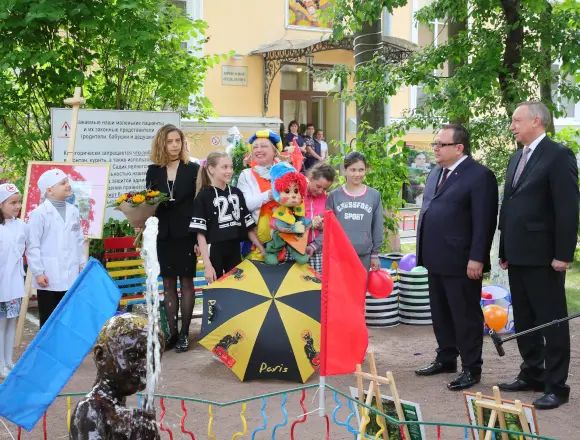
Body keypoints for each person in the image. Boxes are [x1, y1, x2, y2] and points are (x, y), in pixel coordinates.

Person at [497, 101, 579, 410]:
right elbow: (510, 206)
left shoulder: (558, 156)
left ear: (536, 121)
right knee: (525, 319)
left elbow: (567, 209)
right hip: (517, 254)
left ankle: (556, 385)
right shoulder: (517, 156)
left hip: (545, 257)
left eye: (516, 120)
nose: (512, 126)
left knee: (551, 321)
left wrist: (563, 254)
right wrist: (504, 250)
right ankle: (532, 372)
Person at [414, 124, 498, 391]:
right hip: (435, 256)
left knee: (465, 315)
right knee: (440, 313)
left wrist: (477, 257)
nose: (435, 148)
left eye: (441, 144)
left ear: (459, 147)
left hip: (462, 261)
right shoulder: (436, 172)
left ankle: (471, 367)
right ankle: (446, 357)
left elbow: (484, 221)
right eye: (435, 144)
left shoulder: (479, 175)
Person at [146, 124, 199, 353]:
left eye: (178, 141)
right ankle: (172, 333)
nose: (175, 145)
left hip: (187, 234)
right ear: (162, 144)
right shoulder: (153, 171)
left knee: (187, 282)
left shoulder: (193, 169)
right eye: (170, 141)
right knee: (168, 284)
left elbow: (198, 204)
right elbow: (149, 203)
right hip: (163, 234)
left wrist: (199, 238)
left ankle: (185, 333)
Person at [69, 314, 162, 439]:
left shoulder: (113, 405)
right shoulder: (90, 410)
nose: (145, 368)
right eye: (133, 356)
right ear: (101, 357)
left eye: (152, 360)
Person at [191, 152, 265, 283]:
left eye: (231, 167)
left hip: (235, 248)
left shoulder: (237, 193)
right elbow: (200, 234)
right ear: (211, 169)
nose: (229, 171)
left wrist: (261, 249)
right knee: (217, 289)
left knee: (238, 286)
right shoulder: (203, 196)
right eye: (224, 167)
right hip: (214, 249)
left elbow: (248, 226)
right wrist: (207, 266)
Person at [27, 169, 86, 328]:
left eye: (67, 182)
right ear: (49, 190)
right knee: (49, 320)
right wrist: (38, 272)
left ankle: (66, 344)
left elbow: (79, 241)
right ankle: (48, 344)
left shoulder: (73, 211)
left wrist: (82, 265)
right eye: (63, 183)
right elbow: (32, 245)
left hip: (72, 274)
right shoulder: (39, 214)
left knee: (68, 320)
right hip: (48, 277)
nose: (68, 185)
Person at [326, 152, 383, 271]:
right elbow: (328, 228)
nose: (357, 174)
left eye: (361, 170)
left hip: (364, 256)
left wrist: (375, 254)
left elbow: (377, 226)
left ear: (366, 170)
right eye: (353, 170)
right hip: (339, 257)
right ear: (345, 170)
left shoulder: (374, 195)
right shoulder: (334, 196)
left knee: (361, 284)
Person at [236, 129, 283, 260]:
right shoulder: (246, 175)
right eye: (255, 147)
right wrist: (269, 195)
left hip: (284, 240)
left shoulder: (286, 173)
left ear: (275, 151)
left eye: (264, 146)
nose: (258, 150)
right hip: (255, 242)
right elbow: (244, 206)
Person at [0, 184, 27, 379]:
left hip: (15, 282)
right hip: (1, 282)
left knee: (11, 322)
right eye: (12, 202)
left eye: (19, 202)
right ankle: (1, 364)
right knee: (1, 325)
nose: (17, 206)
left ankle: (9, 361)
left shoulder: (22, 226)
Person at [304, 163, 336, 273]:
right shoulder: (297, 195)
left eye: (325, 188)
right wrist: (310, 223)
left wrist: (314, 245)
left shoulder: (327, 200)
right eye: (318, 186)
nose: (320, 191)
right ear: (311, 178)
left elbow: (330, 229)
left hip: (317, 251)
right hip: (295, 250)